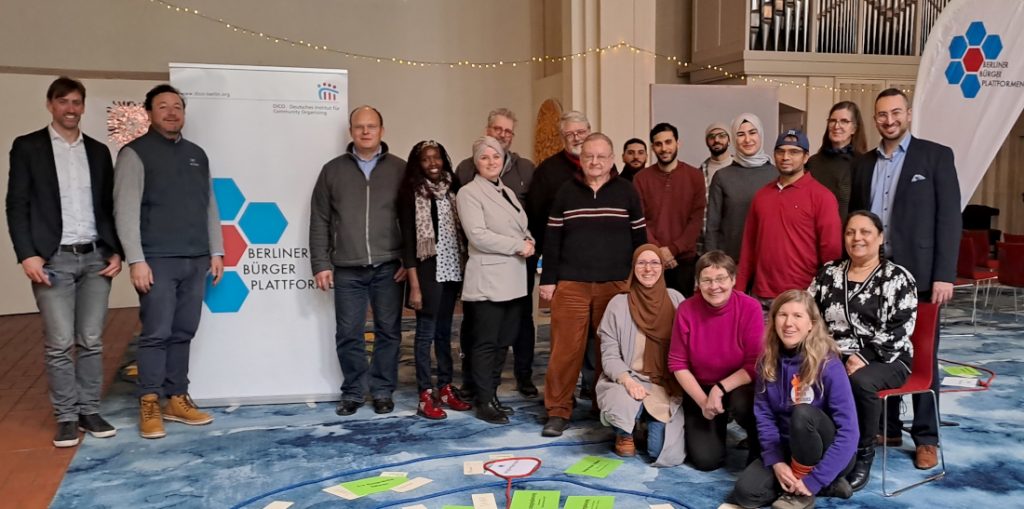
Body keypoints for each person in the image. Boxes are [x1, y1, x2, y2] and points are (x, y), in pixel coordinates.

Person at [6, 76, 123, 447]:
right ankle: (67, 417)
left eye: (76, 102)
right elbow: (16, 204)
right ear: (50, 104)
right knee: (58, 342)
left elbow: (108, 206)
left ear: (83, 106)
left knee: (91, 340)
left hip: (96, 258)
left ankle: (89, 410)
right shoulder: (28, 147)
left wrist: (116, 250)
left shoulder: (99, 151)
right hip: (52, 259)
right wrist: (27, 254)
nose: (70, 109)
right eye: (63, 102)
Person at [849, 88, 960, 470]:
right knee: (881, 348)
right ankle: (889, 427)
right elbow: (857, 221)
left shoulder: (936, 156)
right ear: (875, 119)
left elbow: (949, 219)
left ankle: (926, 437)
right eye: (882, 114)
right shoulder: (864, 164)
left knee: (922, 352)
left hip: (922, 276)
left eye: (896, 112)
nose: (889, 120)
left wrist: (944, 274)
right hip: (876, 275)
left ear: (908, 114)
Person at [113, 84, 224, 439]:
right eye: (163, 106)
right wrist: (136, 260)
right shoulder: (135, 154)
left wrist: (216, 251)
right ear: (149, 112)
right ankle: (149, 401)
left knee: (183, 331)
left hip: (196, 259)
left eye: (177, 106)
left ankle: (177, 398)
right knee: (156, 333)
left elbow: (209, 205)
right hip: (157, 260)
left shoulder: (197, 154)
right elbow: (125, 210)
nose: (172, 112)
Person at [538, 133, 647, 437]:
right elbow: (552, 239)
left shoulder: (627, 192)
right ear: (581, 159)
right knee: (565, 351)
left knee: (609, 351)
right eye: (589, 156)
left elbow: (640, 240)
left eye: (601, 156)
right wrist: (548, 280)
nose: (595, 162)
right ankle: (558, 410)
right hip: (571, 283)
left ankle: (605, 406)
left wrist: (638, 282)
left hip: (616, 284)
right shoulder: (565, 192)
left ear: (612, 159)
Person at [809, 210, 918, 491]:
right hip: (835, 352)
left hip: (888, 357)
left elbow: (901, 328)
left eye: (865, 232)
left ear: (880, 238)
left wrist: (863, 356)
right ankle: (815, 447)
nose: (857, 238)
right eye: (850, 232)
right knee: (803, 369)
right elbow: (810, 315)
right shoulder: (829, 273)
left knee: (860, 381)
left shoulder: (898, 278)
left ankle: (863, 453)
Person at [310, 105, 407, 417]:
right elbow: (320, 219)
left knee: (388, 331)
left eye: (371, 126)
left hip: (389, 266)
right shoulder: (332, 171)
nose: (366, 131)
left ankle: (382, 390)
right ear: (351, 131)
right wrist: (320, 263)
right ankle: (353, 391)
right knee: (348, 333)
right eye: (359, 126)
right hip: (347, 268)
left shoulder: (400, 169)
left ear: (382, 130)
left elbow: (411, 219)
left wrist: (408, 261)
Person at [731, 290, 857, 509]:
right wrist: (777, 463)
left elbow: (849, 432)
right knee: (746, 494)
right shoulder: (767, 362)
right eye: (782, 315)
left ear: (811, 324)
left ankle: (809, 488)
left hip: (827, 450)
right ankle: (826, 485)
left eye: (798, 316)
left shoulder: (829, 365)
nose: (789, 323)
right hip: (788, 447)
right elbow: (765, 418)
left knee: (802, 413)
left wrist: (813, 480)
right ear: (773, 321)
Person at [454, 108, 538, 399]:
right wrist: (519, 245)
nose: (491, 162)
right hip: (488, 281)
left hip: (512, 279)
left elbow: (521, 225)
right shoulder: (469, 192)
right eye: (485, 157)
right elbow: (478, 236)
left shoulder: (507, 192)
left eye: (496, 157)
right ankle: (483, 398)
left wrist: (529, 239)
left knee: (503, 340)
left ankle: (492, 394)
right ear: (475, 162)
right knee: (485, 342)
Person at [526, 110, 598, 400]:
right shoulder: (547, 171)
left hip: (600, 265)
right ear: (561, 137)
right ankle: (561, 396)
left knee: (596, 331)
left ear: (589, 131)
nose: (576, 138)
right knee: (566, 334)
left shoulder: (605, 166)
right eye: (570, 134)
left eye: (581, 132)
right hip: (566, 265)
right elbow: (536, 217)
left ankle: (592, 386)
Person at [398, 140, 473, 420]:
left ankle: (445, 387)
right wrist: (415, 286)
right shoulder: (411, 192)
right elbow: (409, 242)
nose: (432, 163)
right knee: (425, 334)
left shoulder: (453, 187)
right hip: (427, 272)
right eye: (426, 159)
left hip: (452, 267)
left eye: (437, 157)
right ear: (418, 164)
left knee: (444, 332)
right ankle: (425, 394)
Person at [669, 250, 763, 471]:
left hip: (740, 385)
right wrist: (704, 402)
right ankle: (717, 423)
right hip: (700, 387)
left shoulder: (750, 307)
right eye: (707, 280)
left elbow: (754, 363)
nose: (714, 286)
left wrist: (719, 389)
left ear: (733, 280)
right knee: (706, 461)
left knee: (745, 404)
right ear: (698, 283)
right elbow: (677, 363)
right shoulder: (686, 309)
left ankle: (757, 442)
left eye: (721, 279)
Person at [596, 244, 686, 465]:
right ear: (633, 267)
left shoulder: (675, 300)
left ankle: (646, 418)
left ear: (662, 267)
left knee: (661, 453)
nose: (648, 269)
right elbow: (609, 355)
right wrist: (627, 381)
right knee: (621, 403)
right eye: (641, 263)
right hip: (627, 379)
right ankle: (624, 432)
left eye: (654, 263)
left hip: (663, 383)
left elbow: (689, 345)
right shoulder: (618, 304)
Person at [736, 129, 842, 308]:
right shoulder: (761, 196)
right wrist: (738, 292)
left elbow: (831, 253)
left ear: (806, 157)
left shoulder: (822, 197)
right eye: (780, 151)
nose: (785, 157)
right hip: (761, 296)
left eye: (794, 152)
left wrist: (825, 296)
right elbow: (748, 249)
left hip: (801, 297)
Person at [634, 123, 705, 297]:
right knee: (651, 310)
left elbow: (696, 220)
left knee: (682, 310)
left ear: (677, 143)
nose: (664, 148)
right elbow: (639, 219)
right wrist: (659, 251)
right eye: (658, 144)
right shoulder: (640, 179)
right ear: (652, 148)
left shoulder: (695, 176)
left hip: (684, 261)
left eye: (668, 142)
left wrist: (672, 250)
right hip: (651, 260)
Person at [705, 113, 777, 263]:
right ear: (733, 139)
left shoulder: (777, 175)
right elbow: (712, 226)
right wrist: (713, 263)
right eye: (740, 134)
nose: (747, 139)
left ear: (760, 134)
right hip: (730, 262)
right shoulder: (722, 176)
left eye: (752, 132)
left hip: (768, 260)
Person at [807, 101, 868, 220]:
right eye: (832, 121)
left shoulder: (863, 164)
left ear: (854, 129)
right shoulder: (813, 162)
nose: (836, 126)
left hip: (846, 230)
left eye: (844, 121)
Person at [698, 122, 734, 254]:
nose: (716, 140)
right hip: (706, 245)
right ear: (707, 142)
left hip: (734, 242)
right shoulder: (699, 173)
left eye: (722, 136)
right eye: (711, 137)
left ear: (729, 140)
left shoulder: (741, 169)